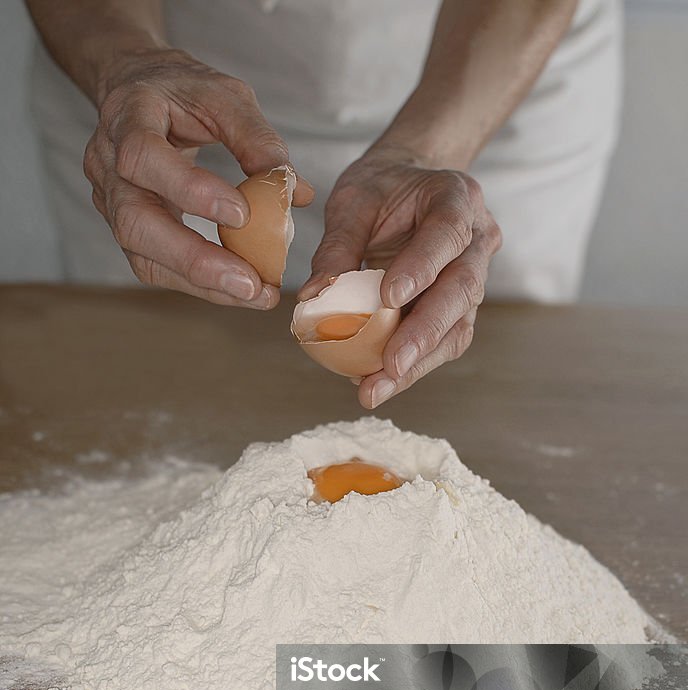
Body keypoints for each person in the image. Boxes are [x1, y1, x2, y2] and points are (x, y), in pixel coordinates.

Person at [25, 0, 621, 409]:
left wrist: (426, 150)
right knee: (145, 369)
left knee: (486, 375)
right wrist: (124, 62)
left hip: (486, 59)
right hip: (155, 69)